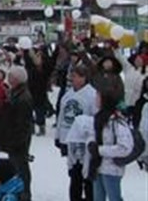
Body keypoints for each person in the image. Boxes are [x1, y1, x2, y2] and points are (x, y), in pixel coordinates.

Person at [55, 65, 98, 201]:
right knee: (74, 175)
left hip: (85, 141)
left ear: (83, 78)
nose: (72, 79)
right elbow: (61, 116)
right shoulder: (68, 94)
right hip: (69, 140)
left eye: (75, 76)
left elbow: (95, 118)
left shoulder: (92, 95)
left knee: (87, 176)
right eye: (71, 76)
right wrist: (58, 136)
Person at [87, 80, 133, 201]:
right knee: (97, 197)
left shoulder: (117, 122)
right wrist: (91, 143)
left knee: (114, 197)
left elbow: (125, 147)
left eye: (98, 96)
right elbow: (92, 133)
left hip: (112, 168)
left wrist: (100, 150)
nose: (95, 98)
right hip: (97, 166)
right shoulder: (98, 118)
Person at [0, 65, 33, 201]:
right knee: (17, 168)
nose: (8, 78)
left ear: (17, 79)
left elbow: (22, 124)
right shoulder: (16, 93)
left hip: (18, 141)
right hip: (14, 139)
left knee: (20, 170)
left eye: (10, 76)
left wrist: (14, 142)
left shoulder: (23, 98)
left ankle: (24, 195)